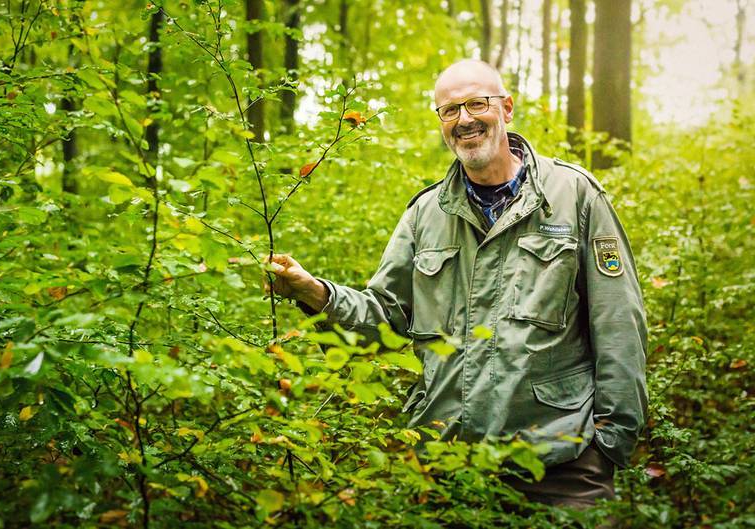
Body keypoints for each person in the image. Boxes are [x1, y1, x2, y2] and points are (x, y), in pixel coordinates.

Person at [267, 59, 647, 508]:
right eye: (450, 111)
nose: (464, 119)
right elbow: (386, 318)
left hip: (560, 464)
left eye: (476, 104)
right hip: (445, 462)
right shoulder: (426, 214)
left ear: (506, 108)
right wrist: (315, 292)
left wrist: (610, 443)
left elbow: (618, 321)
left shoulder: (574, 196)